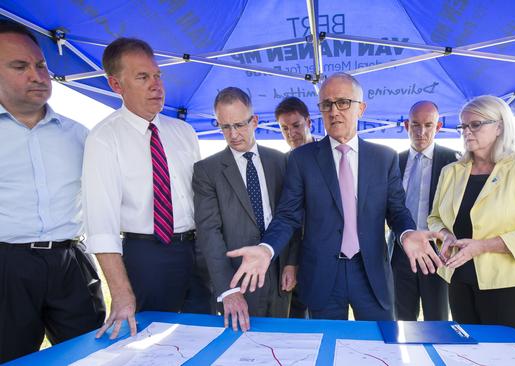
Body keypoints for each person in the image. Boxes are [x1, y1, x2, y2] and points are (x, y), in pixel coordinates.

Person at [227, 72, 444, 321]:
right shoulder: (302, 159)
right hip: (323, 277)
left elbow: (396, 210)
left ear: (360, 108)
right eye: (326, 104)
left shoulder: (384, 158)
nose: (334, 111)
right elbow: (287, 216)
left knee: (378, 350)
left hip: (370, 274)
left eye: (343, 102)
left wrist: (407, 234)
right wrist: (267, 249)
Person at [83, 37, 210, 340]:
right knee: (152, 345)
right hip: (146, 255)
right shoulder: (104, 139)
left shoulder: (184, 131)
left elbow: (203, 200)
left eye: (157, 75)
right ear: (116, 84)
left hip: (195, 252)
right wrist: (122, 293)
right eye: (143, 77)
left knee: (203, 336)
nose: (156, 85)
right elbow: (102, 225)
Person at [0, 20, 105, 362]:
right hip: (7, 267)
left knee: (90, 354)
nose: (37, 75)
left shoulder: (80, 135)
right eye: (20, 66)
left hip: (72, 262)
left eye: (41, 65)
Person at [427, 95, 515, 334]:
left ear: (499, 126)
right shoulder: (451, 171)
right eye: (463, 126)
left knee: (502, 355)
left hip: (508, 285)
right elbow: (435, 217)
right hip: (457, 279)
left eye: (475, 124)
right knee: (466, 352)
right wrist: (445, 235)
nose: (467, 131)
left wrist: (483, 246)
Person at [193, 87, 298, 331]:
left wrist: (291, 263)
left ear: (254, 121)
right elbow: (209, 233)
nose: (233, 134)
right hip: (238, 280)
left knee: (279, 345)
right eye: (225, 127)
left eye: (239, 125)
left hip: (280, 274)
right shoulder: (206, 171)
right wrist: (228, 290)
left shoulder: (281, 161)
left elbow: (291, 217)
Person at [390, 101, 457, 321]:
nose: (422, 131)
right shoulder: (393, 162)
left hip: (437, 253)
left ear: (437, 127)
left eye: (429, 125)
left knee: (437, 322)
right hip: (401, 253)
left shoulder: (454, 161)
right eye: (416, 125)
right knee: (402, 321)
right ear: (407, 125)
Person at [274, 96, 316, 319]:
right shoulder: (281, 164)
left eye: (296, 125)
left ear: (309, 122)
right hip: (290, 255)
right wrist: (291, 261)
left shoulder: (329, 155)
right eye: (284, 128)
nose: (291, 133)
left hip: (326, 255)